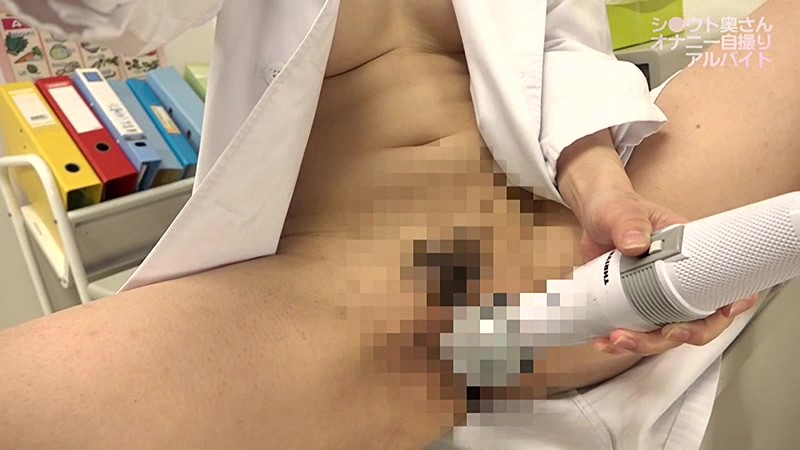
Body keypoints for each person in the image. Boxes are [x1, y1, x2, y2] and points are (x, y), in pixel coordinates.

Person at [0, 0, 795, 448]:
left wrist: (604, 190)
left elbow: (558, 45)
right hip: (373, 313)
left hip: (566, 260)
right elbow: (102, 10)